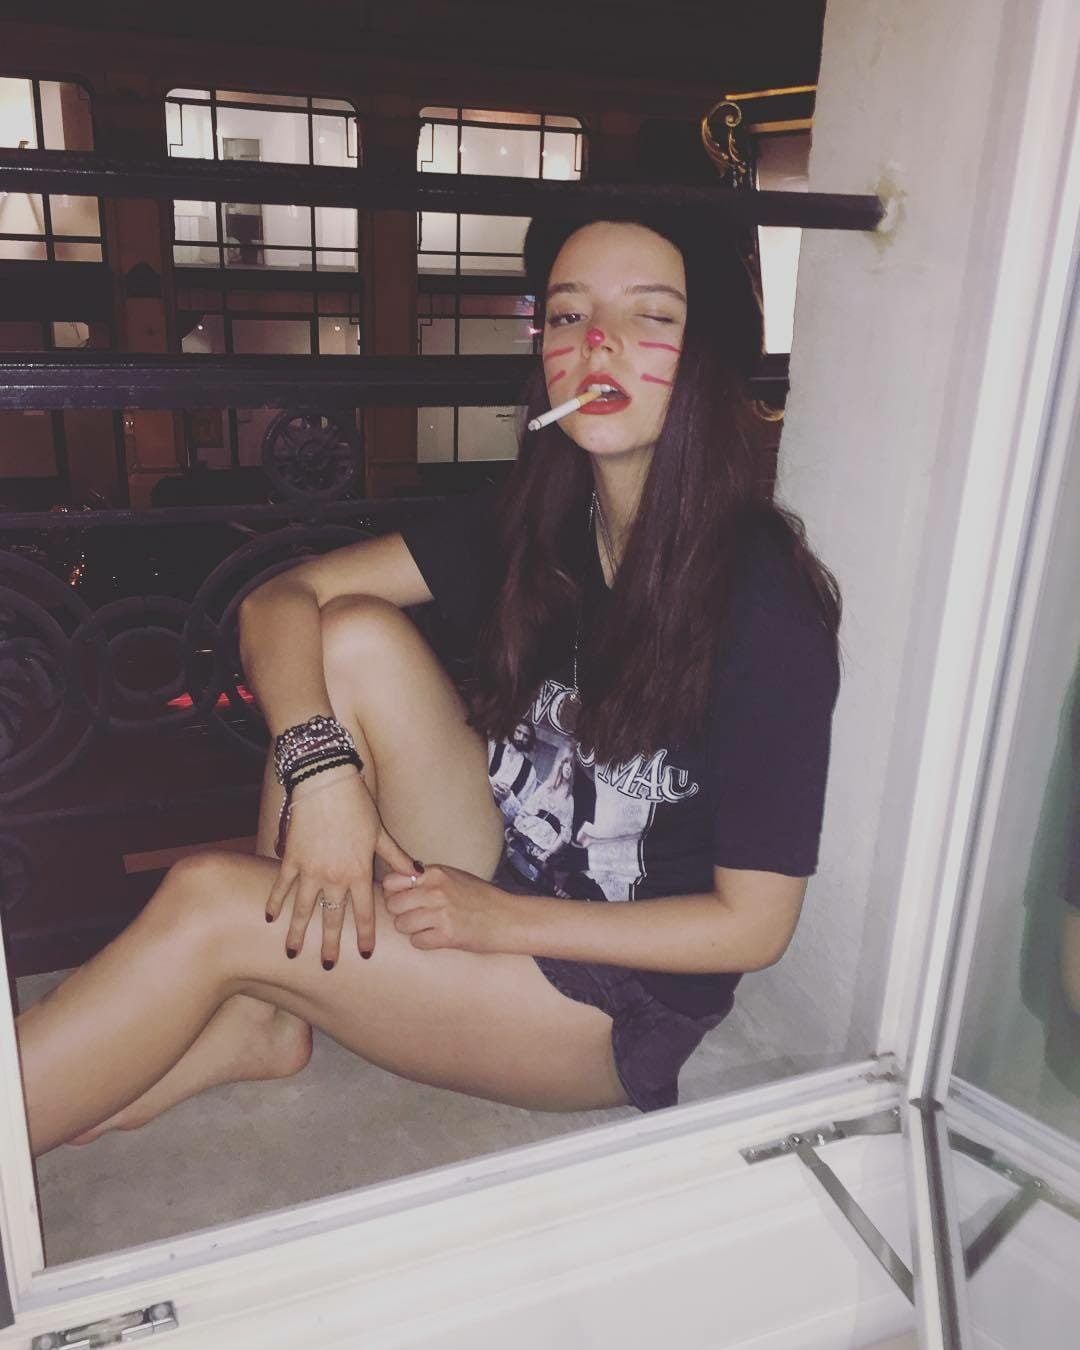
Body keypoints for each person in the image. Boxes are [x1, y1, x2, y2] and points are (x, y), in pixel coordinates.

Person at [15, 209, 841, 1156]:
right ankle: (266, 1014)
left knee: (210, 901)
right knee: (350, 633)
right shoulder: (542, 521)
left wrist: (504, 921)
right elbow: (279, 600)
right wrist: (322, 773)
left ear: (708, 361)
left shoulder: (765, 605)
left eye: (650, 316)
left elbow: (753, 929)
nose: (597, 343)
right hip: (501, 866)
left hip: (609, 1003)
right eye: (568, 316)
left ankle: (249, 988)